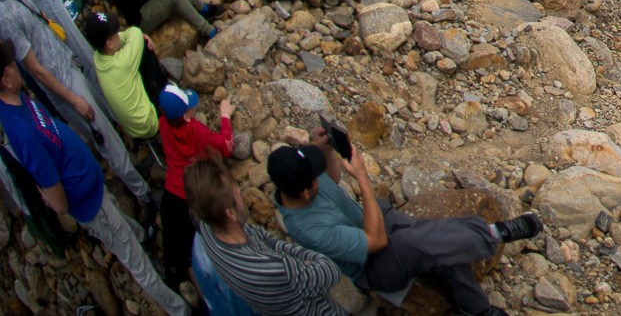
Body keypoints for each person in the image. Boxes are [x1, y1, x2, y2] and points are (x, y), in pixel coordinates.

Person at [0, 39, 188, 315]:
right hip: (87, 200)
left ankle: (140, 235)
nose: (16, 65)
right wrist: (54, 197)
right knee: (134, 260)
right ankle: (179, 308)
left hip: (91, 183)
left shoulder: (18, 99)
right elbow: (57, 201)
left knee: (125, 228)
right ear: (5, 79)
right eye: (9, 64)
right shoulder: (21, 133)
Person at [269, 135, 540, 315]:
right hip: (372, 266)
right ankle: (496, 233)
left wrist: (325, 149)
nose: (319, 178)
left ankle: (478, 310)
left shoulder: (302, 183)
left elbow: (333, 176)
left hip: (374, 221)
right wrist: (363, 179)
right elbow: (376, 242)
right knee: (417, 243)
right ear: (304, 192)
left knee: (440, 247)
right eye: (313, 178)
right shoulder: (308, 228)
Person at [0, 0, 152, 202]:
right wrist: (73, 99)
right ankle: (144, 193)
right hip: (63, 82)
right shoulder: (4, 15)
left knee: (108, 118)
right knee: (106, 139)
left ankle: (135, 162)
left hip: (66, 61)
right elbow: (35, 70)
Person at [187, 153, 348, 316]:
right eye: (236, 189)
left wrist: (295, 262)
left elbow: (263, 237)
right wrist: (304, 260)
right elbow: (330, 271)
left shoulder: (208, 230)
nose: (240, 190)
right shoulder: (273, 269)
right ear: (231, 214)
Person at [159, 85, 233, 297]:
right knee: (198, 252)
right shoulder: (197, 131)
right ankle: (208, 299)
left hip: (171, 195)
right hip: (192, 198)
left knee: (176, 251)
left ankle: (179, 287)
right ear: (186, 115)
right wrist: (225, 116)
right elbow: (226, 146)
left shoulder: (163, 124)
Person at [80, 8, 164, 141]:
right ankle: (164, 97)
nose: (119, 34)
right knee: (145, 49)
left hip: (133, 128)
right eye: (116, 33)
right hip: (150, 123)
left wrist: (132, 39)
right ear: (109, 43)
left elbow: (129, 37)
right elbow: (135, 32)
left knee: (138, 46)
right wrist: (140, 39)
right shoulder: (121, 64)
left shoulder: (97, 58)